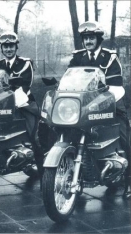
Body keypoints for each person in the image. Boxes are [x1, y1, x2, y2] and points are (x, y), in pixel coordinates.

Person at [68, 21, 130, 197]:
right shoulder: (78, 57)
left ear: (98, 39)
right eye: (86, 38)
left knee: (125, 138)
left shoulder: (109, 57)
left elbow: (115, 86)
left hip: (110, 102)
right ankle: (73, 175)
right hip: (84, 106)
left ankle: (129, 180)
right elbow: (70, 80)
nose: (88, 41)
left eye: (92, 38)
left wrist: (99, 101)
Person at [0, 31, 45, 183]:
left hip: (24, 103)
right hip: (3, 104)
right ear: (1, 48)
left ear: (16, 47)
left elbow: (24, 85)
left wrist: (12, 99)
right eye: (5, 46)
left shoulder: (25, 63)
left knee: (33, 134)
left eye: (11, 46)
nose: (8, 49)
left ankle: (43, 173)